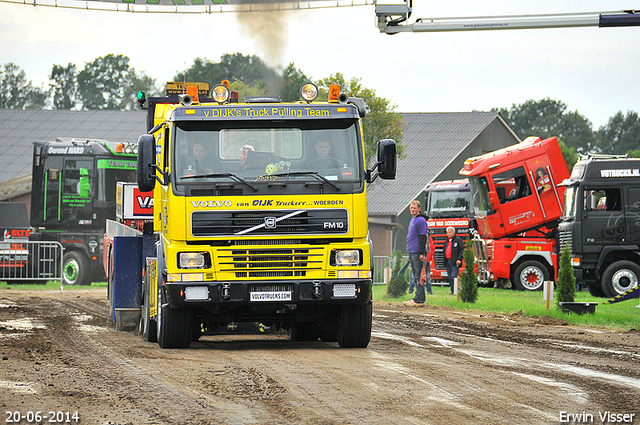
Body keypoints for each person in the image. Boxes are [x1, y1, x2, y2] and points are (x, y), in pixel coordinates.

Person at [403, 200, 428, 307]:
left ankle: (418, 299)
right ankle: (421, 298)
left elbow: (423, 237)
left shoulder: (421, 220)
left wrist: (421, 253)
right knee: (416, 276)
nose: (412, 210)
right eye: (411, 208)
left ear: (419, 209)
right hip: (412, 251)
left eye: (414, 208)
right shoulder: (413, 219)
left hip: (418, 252)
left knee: (418, 276)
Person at [443, 226, 464, 294]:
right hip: (448, 261)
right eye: (447, 232)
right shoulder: (447, 241)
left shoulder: (458, 240)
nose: (449, 234)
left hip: (455, 262)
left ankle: (456, 290)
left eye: (450, 232)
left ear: (454, 232)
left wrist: (459, 259)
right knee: (449, 277)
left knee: (454, 276)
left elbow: (462, 250)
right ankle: (452, 290)